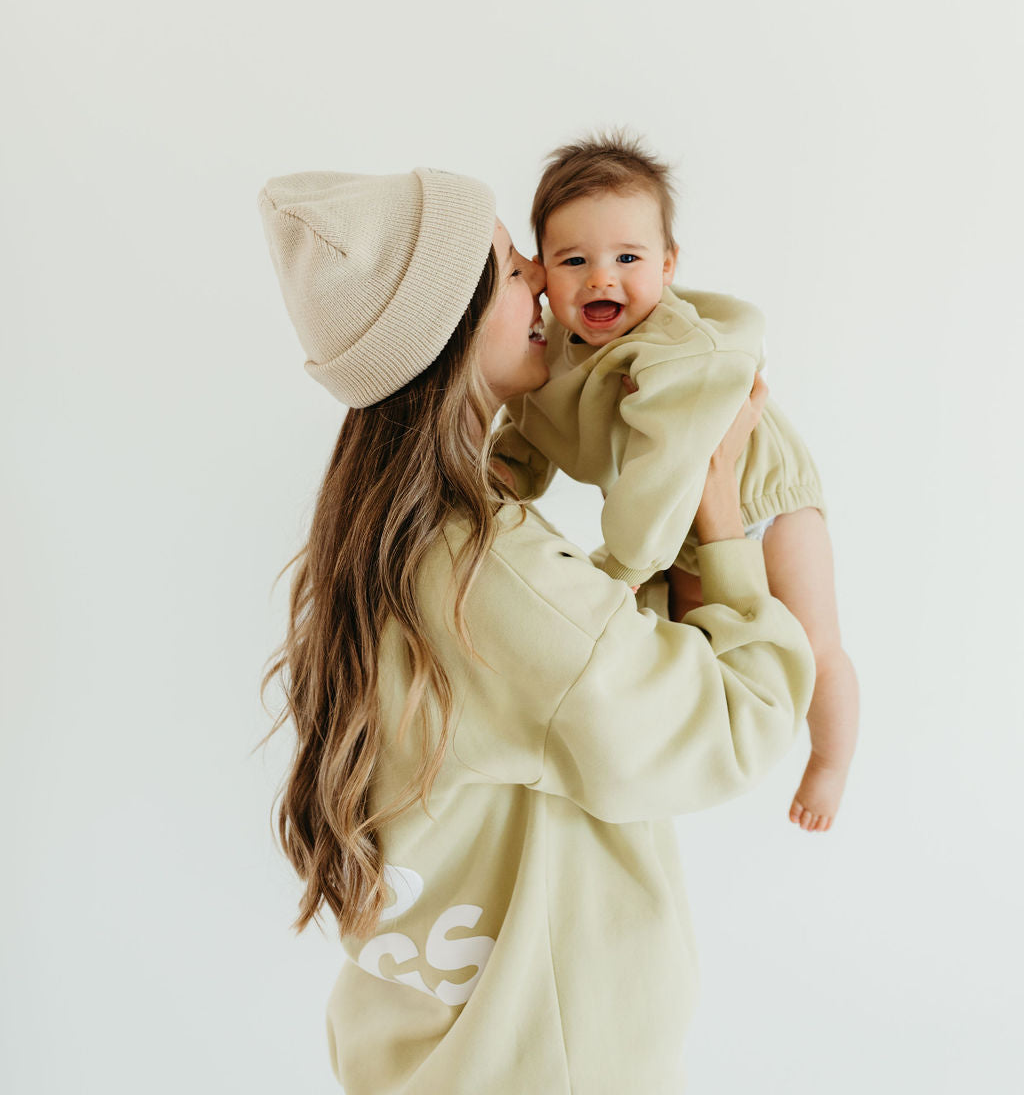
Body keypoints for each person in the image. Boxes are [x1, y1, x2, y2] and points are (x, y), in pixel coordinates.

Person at [257, 163, 815, 1095]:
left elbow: (570, 667)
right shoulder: (491, 576)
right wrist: (717, 512)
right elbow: (734, 721)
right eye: (517, 271)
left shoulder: (374, 550)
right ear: (449, 330)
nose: (545, 289)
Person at [494, 131, 859, 832]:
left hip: (761, 499)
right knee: (705, 649)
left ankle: (830, 760)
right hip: (681, 528)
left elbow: (668, 467)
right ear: (543, 271)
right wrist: (502, 478)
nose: (602, 279)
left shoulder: (675, 349)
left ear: (668, 266)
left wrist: (623, 567)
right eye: (576, 261)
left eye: (627, 259)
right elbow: (532, 428)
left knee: (812, 645)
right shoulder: (552, 350)